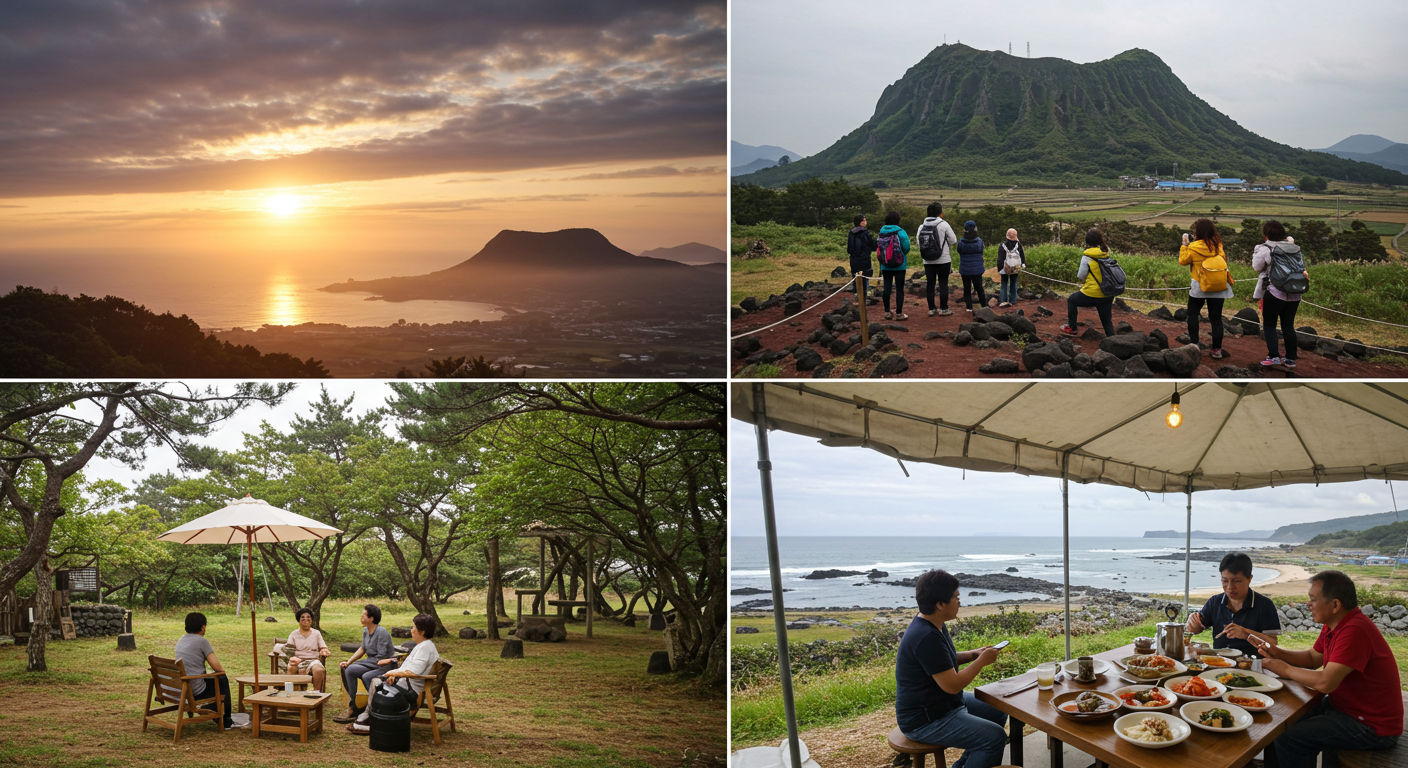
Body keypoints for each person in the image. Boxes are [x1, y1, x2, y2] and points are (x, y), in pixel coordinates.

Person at [1261, 571, 1401, 768]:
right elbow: (1311, 658)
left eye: (1313, 599)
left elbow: (1325, 683)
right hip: (1345, 708)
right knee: (1278, 723)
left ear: (1335, 605)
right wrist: (1276, 652)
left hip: (1372, 726)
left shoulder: (1354, 630)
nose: (1308, 604)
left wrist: (1284, 669)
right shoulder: (1335, 625)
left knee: (1290, 739)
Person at [895, 569, 1008, 768]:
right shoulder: (926, 636)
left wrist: (973, 654)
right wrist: (981, 662)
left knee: (997, 710)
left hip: (942, 704)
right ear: (940, 604)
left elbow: (940, 663)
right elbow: (952, 685)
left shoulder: (933, 623)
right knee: (994, 737)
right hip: (925, 719)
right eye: (956, 597)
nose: (959, 601)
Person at [347, 613, 441, 735]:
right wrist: (394, 675)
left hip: (411, 690)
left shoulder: (425, 648)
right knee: (376, 680)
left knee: (376, 682)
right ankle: (368, 716)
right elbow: (409, 669)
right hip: (406, 684)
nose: (412, 630)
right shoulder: (423, 646)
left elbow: (412, 672)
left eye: (414, 627)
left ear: (421, 631)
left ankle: (369, 719)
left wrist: (392, 673)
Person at [1183, 552, 1281, 658]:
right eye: (1225, 581)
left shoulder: (1264, 605)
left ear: (1250, 579)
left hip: (1252, 665)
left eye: (1236, 581)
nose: (1230, 587)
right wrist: (1192, 624)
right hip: (1219, 663)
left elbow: (1272, 643)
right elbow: (1195, 629)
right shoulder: (1214, 602)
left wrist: (1246, 633)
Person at [173, 611, 244, 730]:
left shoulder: (181, 639)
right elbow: (219, 669)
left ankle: (218, 715)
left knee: (214, 680)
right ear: (203, 627)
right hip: (195, 690)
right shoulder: (202, 641)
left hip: (181, 687)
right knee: (222, 679)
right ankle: (227, 720)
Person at [1252, 220, 1307, 369]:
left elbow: (1257, 268)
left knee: (1269, 325)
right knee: (1288, 326)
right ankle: (1290, 359)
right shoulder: (1294, 248)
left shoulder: (1266, 248)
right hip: (1295, 291)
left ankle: (1274, 356)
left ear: (1266, 235)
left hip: (1275, 291)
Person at [332, 604, 399, 723]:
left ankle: (376, 707)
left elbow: (382, 657)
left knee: (366, 676)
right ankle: (354, 706)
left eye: (363, 616)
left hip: (385, 665)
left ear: (371, 618)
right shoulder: (365, 631)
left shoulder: (381, 632)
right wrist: (349, 662)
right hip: (372, 663)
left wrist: (361, 662)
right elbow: (362, 648)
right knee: (350, 670)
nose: (361, 618)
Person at [1179, 218, 1234, 359]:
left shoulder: (1193, 247)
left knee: (1192, 314)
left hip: (1199, 286)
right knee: (1216, 319)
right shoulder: (1218, 246)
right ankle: (1217, 350)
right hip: (1218, 286)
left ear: (1197, 232)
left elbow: (1183, 261)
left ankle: (1194, 345)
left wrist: (1185, 245)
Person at [1060, 229, 1116, 337]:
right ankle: (1111, 338)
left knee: (1072, 300)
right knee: (1106, 320)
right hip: (1108, 292)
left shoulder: (1087, 256)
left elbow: (1081, 276)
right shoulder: (1105, 253)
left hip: (1092, 292)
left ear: (1087, 242)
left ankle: (1072, 327)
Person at [916, 202, 957, 317]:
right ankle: (944, 308)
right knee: (943, 283)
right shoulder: (944, 225)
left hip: (927, 260)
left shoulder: (921, 226)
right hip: (943, 259)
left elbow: (919, 242)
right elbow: (953, 240)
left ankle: (931, 309)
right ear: (940, 213)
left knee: (930, 284)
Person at [284, 607, 331, 692]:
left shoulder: (316, 633)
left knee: (319, 669)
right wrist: (294, 658)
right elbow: (289, 650)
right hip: (297, 660)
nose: (306, 619)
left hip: (313, 660)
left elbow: (323, 647)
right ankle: (292, 692)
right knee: (292, 668)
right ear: (298, 620)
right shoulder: (294, 634)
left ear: (311, 620)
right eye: (303, 617)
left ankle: (316, 692)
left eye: (308, 617)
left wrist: (324, 651)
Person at [876, 210, 911, 321]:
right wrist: (901, 255)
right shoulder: (901, 232)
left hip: (885, 264)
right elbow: (906, 247)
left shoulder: (882, 231)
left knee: (887, 287)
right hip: (900, 265)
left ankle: (887, 312)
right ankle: (899, 313)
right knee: (899, 289)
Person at [955, 221, 988, 312]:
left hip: (965, 269)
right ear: (974, 229)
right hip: (977, 269)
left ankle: (969, 307)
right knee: (979, 287)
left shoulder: (961, 242)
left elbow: (959, 251)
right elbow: (981, 251)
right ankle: (984, 305)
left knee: (967, 288)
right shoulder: (979, 241)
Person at [847, 214, 877, 294]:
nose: (865, 222)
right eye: (863, 220)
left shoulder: (851, 233)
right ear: (860, 222)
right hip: (864, 259)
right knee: (865, 278)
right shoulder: (865, 233)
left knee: (856, 278)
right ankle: (863, 297)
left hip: (853, 259)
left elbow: (849, 248)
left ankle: (857, 295)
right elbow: (872, 245)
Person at [995, 229, 1025, 308]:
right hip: (1015, 268)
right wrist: (1023, 264)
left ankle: (1003, 300)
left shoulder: (1002, 245)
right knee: (1014, 284)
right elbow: (1022, 255)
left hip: (1005, 268)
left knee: (1004, 284)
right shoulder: (1018, 245)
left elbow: (1000, 258)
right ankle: (1012, 301)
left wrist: (1000, 269)